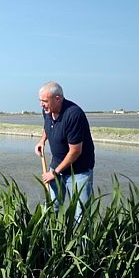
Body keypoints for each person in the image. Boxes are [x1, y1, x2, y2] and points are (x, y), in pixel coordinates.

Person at [34, 81, 95, 221]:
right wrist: (42, 140)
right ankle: (49, 240)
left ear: (58, 99)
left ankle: (80, 243)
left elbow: (75, 151)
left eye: (44, 101)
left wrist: (55, 173)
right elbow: (47, 125)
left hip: (79, 172)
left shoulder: (73, 115)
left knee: (81, 214)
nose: (41, 105)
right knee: (52, 207)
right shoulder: (47, 110)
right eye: (40, 100)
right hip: (56, 167)